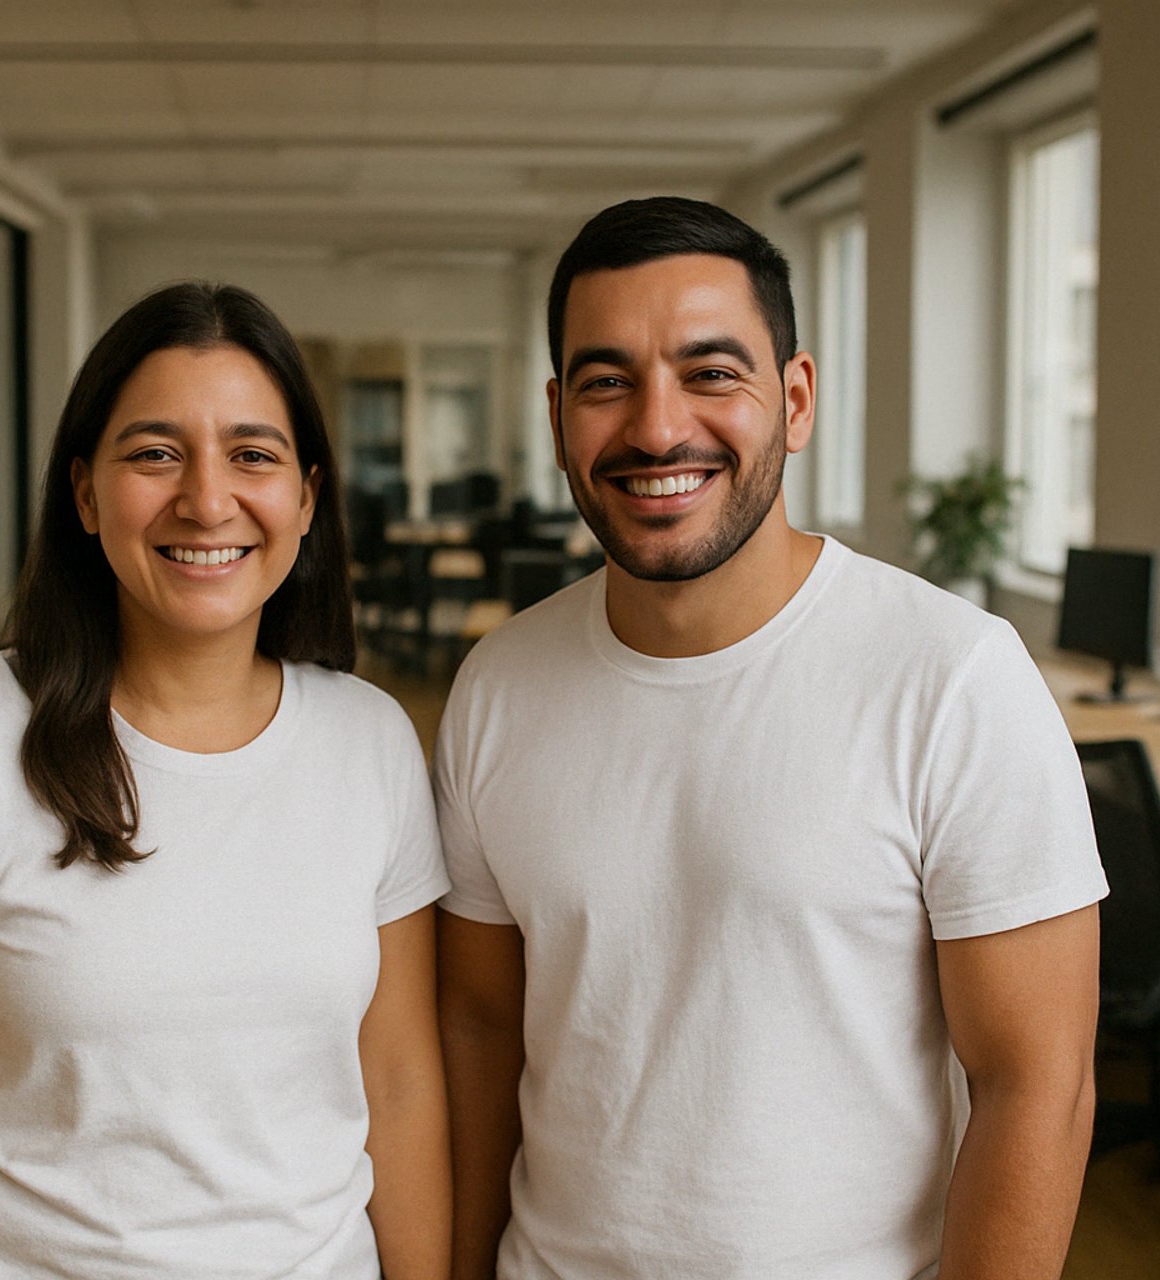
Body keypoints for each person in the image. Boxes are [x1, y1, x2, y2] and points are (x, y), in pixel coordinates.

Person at [434, 197, 1107, 1280]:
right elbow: (476, 1028)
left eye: (711, 373)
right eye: (608, 382)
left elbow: (1040, 1082)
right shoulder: (497, 686)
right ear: (561, 412)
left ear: (793, 400)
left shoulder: (952, 677)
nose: (657, 428)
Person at [0, 282, 452, 1279]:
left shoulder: (369, 739)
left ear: (306, 498)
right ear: (83, 492)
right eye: (155, 453)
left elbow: (403, 1078)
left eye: (253, 454)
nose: (207, 500)